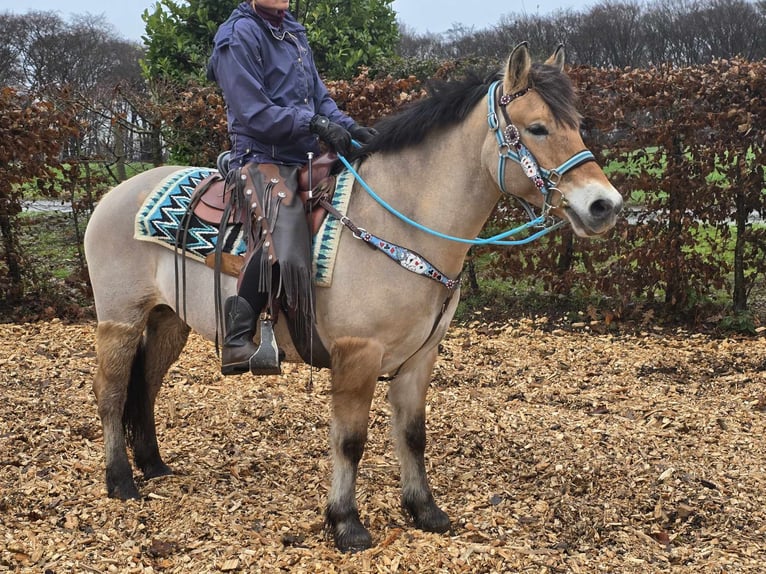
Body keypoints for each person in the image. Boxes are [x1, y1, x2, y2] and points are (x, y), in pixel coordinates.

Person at [207, 0, 376, 376]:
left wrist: (351, 128)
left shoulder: (293, 31)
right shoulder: (237, 36)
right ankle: (237, 339)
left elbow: (321, 101)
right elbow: (253, 112)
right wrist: (313, 124)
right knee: (283, 238)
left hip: (305, 154)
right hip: (259, 156)